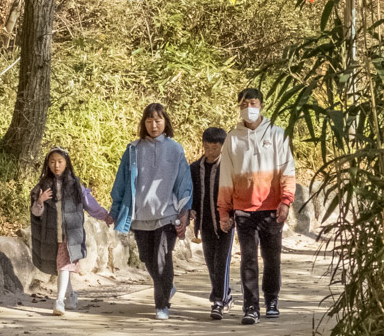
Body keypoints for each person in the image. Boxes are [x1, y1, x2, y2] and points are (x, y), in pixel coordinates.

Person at [218, 87, 296, 325]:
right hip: (243, 209)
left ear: (261, 105)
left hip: (272, 208)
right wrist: (224, 209)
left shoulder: (277, 134)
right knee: (248, 259)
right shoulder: (233, 138)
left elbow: (287, 169)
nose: (248, 108)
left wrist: (286, 200)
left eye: (252, 103)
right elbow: (226, 175)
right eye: (243, 104)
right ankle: (251, 307)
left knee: (272, 258)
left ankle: (271, 300)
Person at [110, 103, 193, 320]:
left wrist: (184, 210)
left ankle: (161, 305)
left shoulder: (175, 149)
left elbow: (184, 182)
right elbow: (121, 181)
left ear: (166, 122)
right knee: (147, 259)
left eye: (158, 120)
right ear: (143, 123)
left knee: (162, 259)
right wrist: (116, 208)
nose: (153, 125)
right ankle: (166, 286)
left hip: (167, 214)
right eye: (149, 121)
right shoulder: (133, 149)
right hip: (140, 215)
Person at [30, 148, 113, 316]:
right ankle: (71, 294)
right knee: (62, 267)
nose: (56, 165)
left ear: (66, 163)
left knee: (63, 265)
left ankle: (59, 301)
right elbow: (35, 213)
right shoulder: (42, 186)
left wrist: (105, 216)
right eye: (52, 162)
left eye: (60, 161)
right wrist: (40, 200)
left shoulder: (75, 185)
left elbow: (90, 205)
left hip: (70, 235)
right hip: (52, 235)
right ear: (48, 164)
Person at [187, 126, 236, 320]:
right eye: (207, 147)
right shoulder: (194, 168)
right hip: (205, 223)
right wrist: (190, 210)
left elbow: (236, 194)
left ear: (222, 147)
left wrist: (233, 217)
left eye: (215, 148)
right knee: (211, 262)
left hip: (225, 223)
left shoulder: (229, 167)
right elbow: (190, 194)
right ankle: (226, 295)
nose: (210, 151)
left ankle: (218, 301)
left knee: (222, 262)